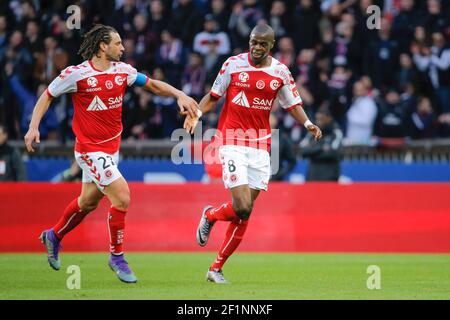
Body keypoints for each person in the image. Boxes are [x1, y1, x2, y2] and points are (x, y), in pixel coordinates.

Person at [24, 24, 198, 283]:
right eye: (118, 43)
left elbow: (152, 85)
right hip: (89, 151)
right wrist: (33, 126)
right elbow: (47, 95)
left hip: (111, 150)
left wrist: (178, 93)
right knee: (123, 197)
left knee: (87, 203)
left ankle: (54, 235)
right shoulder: (77, 75)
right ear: (103, 46)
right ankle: (117, 257)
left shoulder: (123, 71)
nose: (123, 47)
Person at [183, 24, 322, 283]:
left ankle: (216, 266)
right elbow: (213, 97)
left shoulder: (280, 72)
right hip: (233, 141)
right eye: (253, 42)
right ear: (249, 41)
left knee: (244, 212)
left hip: (261, 147)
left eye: (263, 44)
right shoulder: (233, 65)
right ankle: (211, 216)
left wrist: (307, 123)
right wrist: (196, 115)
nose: (257, 48)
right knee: (243, 206)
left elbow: (292, 103)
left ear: (272, 45)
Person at [300, 108, 343, 181]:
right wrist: (321, 148)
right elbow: (303, 151)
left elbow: (335, 153)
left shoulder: (336, 132)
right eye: (317, 119)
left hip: (330, 177)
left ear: (329, 119)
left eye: (321, 119)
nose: (318, 122)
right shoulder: (312, 132)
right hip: (312, 176)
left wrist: (312, 151)